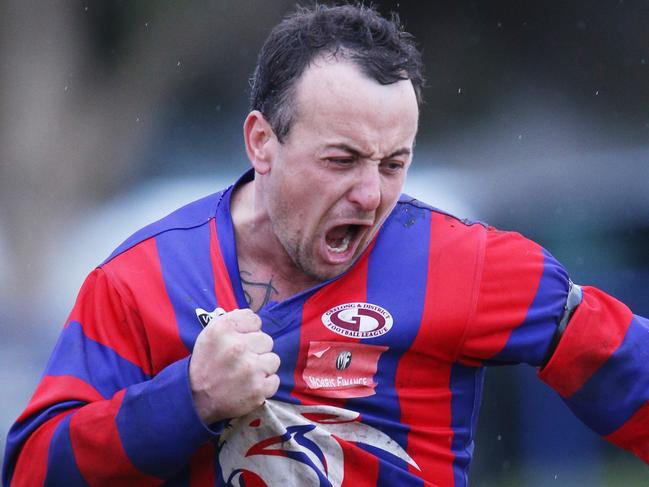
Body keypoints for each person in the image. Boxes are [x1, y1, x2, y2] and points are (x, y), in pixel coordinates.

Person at [3, 3, 648, 486]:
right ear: (262, 142)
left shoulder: (464, 264)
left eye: (394, 164)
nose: (370, 194)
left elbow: (625, 367)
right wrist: (189, 398)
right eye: (341, 159)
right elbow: (32, 469)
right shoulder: (140, 280)